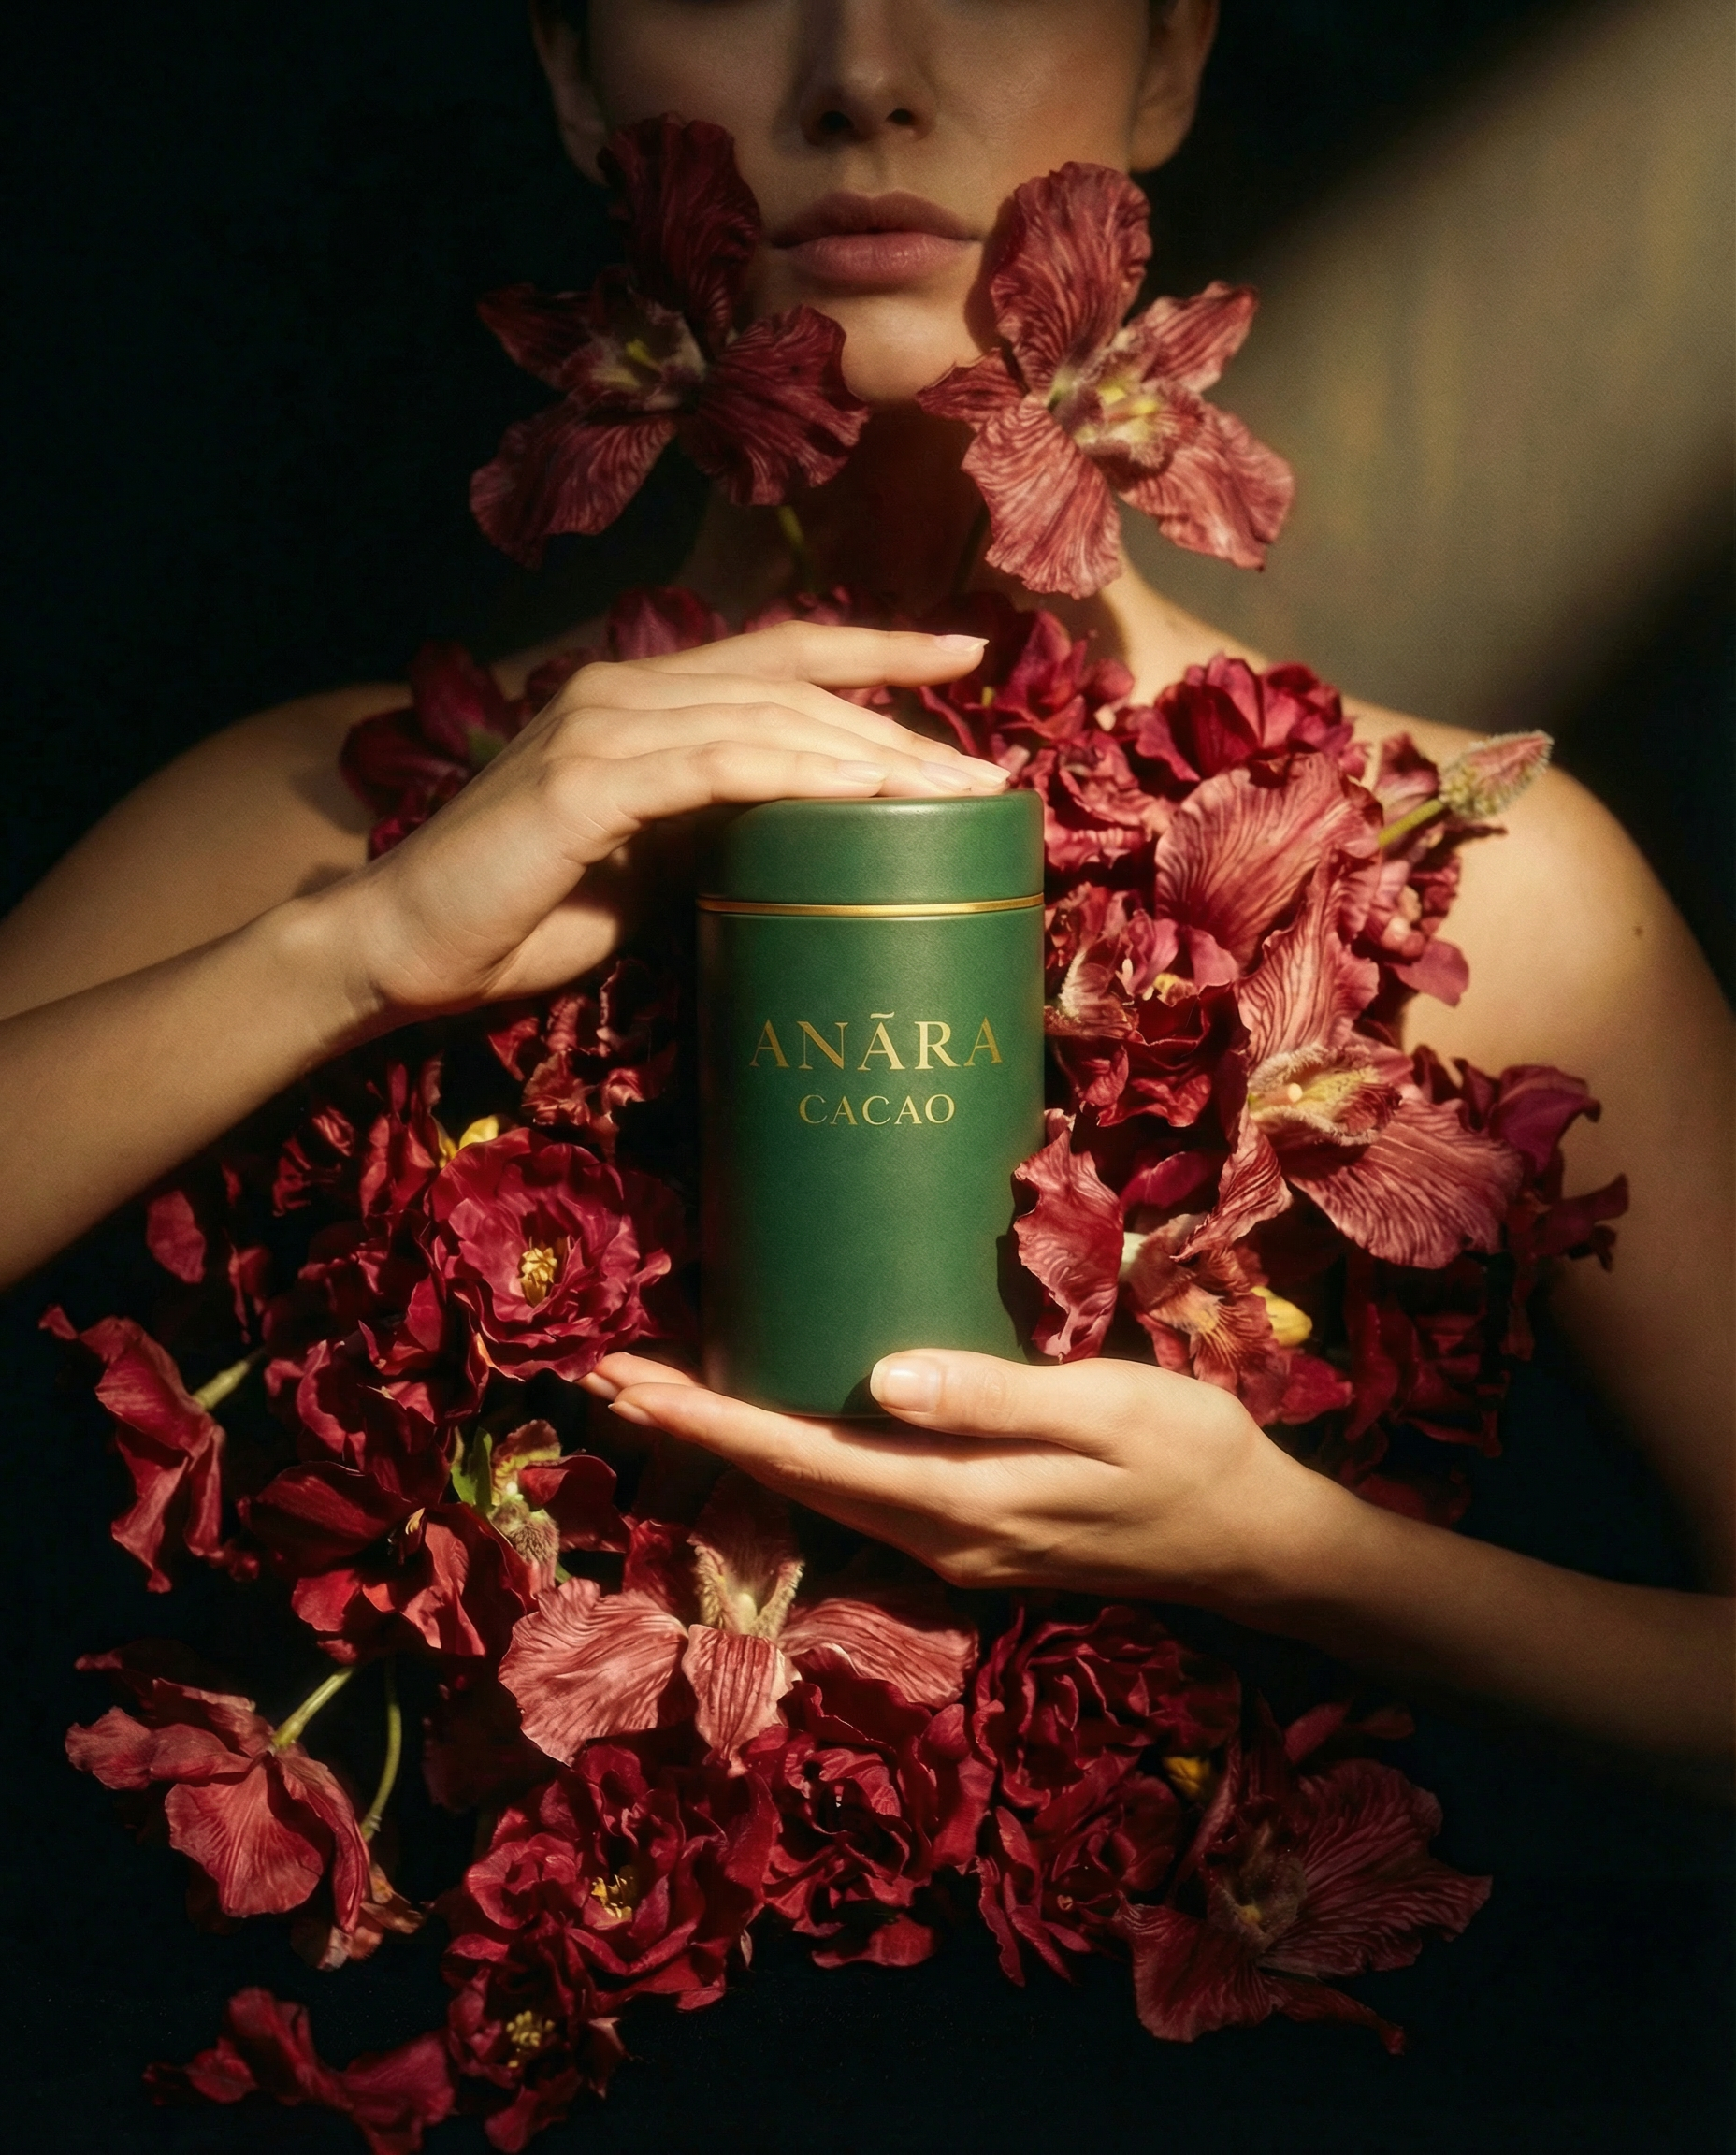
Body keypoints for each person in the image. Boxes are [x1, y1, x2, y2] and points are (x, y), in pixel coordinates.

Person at [2, 0, 1729, 1792]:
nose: (861, 80)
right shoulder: (336, 816)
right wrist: (351, 952)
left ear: (1171, 55)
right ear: (577, 75)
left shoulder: (1475, 879)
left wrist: (1302, 1562)